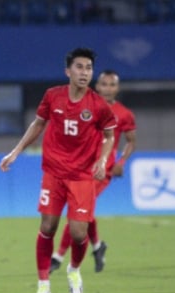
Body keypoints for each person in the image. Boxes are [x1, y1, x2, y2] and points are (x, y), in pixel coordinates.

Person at [0, 47, 116, 293]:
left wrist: (103, 158)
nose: (85, 72)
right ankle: (43, 284)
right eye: (79, 67)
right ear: (68, 71)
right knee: (48, 226)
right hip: (53, 172)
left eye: (88, 68)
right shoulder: (53, 96)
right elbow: (38, 124)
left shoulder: (98, 105)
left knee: (77, 234)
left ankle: (74, 270)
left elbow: (109, 135)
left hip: (82, 176)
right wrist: (16, 151)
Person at [50, 69, 137, 274]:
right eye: (104, 84)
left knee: (77, 213)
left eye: (112, 84)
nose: (108, 88)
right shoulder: (84, 106)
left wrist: (121, 162)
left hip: (101, 171)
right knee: (84, 213)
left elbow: (131, 142)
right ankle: (98, 246)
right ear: (97, 86)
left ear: (117, 88)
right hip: (78, 168)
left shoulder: (124, 114)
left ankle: (58, 256)